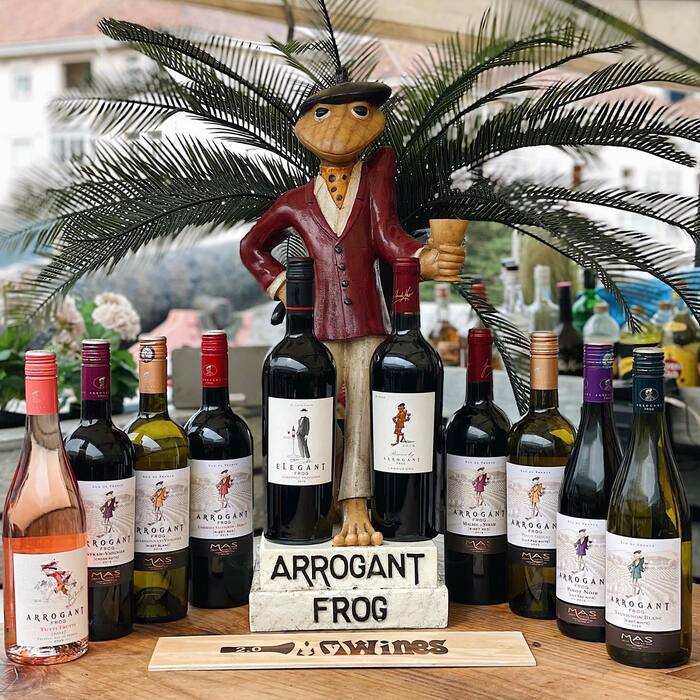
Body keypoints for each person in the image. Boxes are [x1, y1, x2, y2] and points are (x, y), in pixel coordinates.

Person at [241, 69, 464, 546]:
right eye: (325, 112)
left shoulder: (375, 180)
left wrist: (425, 258)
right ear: (307, 123)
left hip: (369, 321)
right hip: (316, 331)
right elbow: (251, 247)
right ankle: (315, 503)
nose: (342, 124)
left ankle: (357, 504)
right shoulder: (295, 202)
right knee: (313, 412)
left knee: (365, 410)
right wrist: (280, 285)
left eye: (360, 111)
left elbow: (388, 238)